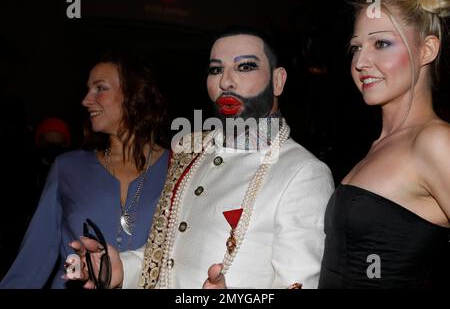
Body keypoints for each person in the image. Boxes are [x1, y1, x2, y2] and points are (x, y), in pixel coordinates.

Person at [67, 27, 335, 289]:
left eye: (244, 67)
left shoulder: (303, 173)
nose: (225, 81)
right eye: (216, 69)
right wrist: (122, 269)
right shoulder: (191, 149)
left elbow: (297, 283)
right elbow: (166, 254)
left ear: (278, 81)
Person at [0, 49, 170, 288]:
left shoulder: (178, 168)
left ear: (134, 93)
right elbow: (33, 260)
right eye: (88, 89)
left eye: (100, 88)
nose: (86, 100)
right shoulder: (68, 168)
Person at [319, 0, 450, 288]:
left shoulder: (435, 142)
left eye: (381, 43)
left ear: (426, 50)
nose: (361, 61)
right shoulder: (377, 146)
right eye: (356, 48)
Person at [35, 117, 72, 195]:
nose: (53, 149)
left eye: (58, 145)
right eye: (48, 144)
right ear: (40, 143)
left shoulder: (72, 172)